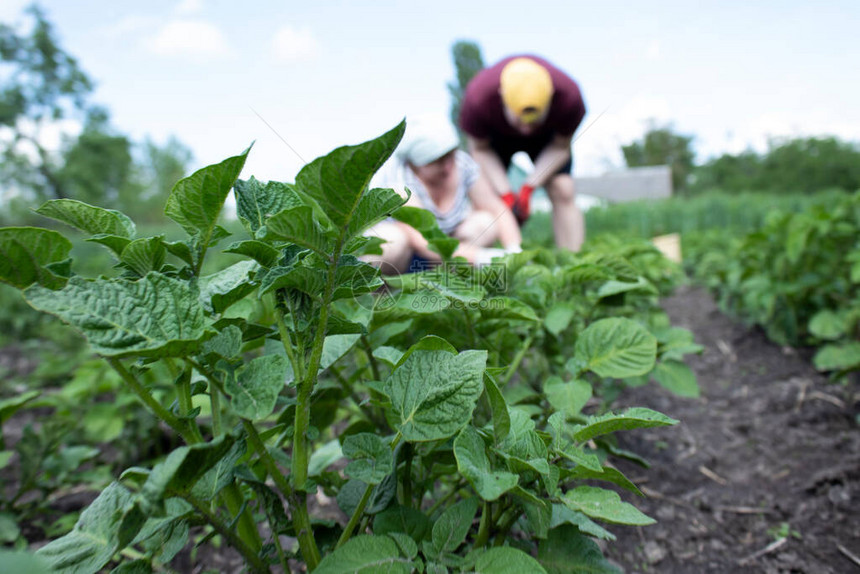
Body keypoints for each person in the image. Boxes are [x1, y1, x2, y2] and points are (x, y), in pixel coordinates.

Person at [459, 55, 586, 251]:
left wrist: (529, 187)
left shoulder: (569, 98)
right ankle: (480, 262)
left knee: (563, 188)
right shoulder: (478, 99)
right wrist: (506, 194)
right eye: (520, 121)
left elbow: (561, 147)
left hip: (546, 138)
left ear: (551, 97)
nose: (526, 130)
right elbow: (480, 149)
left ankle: (573, 261)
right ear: (502, 97)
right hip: (495, 139)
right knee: (484, 195)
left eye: (533, 121)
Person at [366, 117, 522, 275]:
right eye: (438, 162)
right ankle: (382, 294)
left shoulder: (461, 164)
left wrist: (514, 249)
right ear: (416, 164)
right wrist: (480, 257)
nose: (448, 167)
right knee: (389, 242)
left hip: (444, 255)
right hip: (410, 256)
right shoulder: (399, 180)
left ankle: (448, 282)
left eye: (450, 156)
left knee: (485, 222)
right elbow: (422, 241)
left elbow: (496, 208)